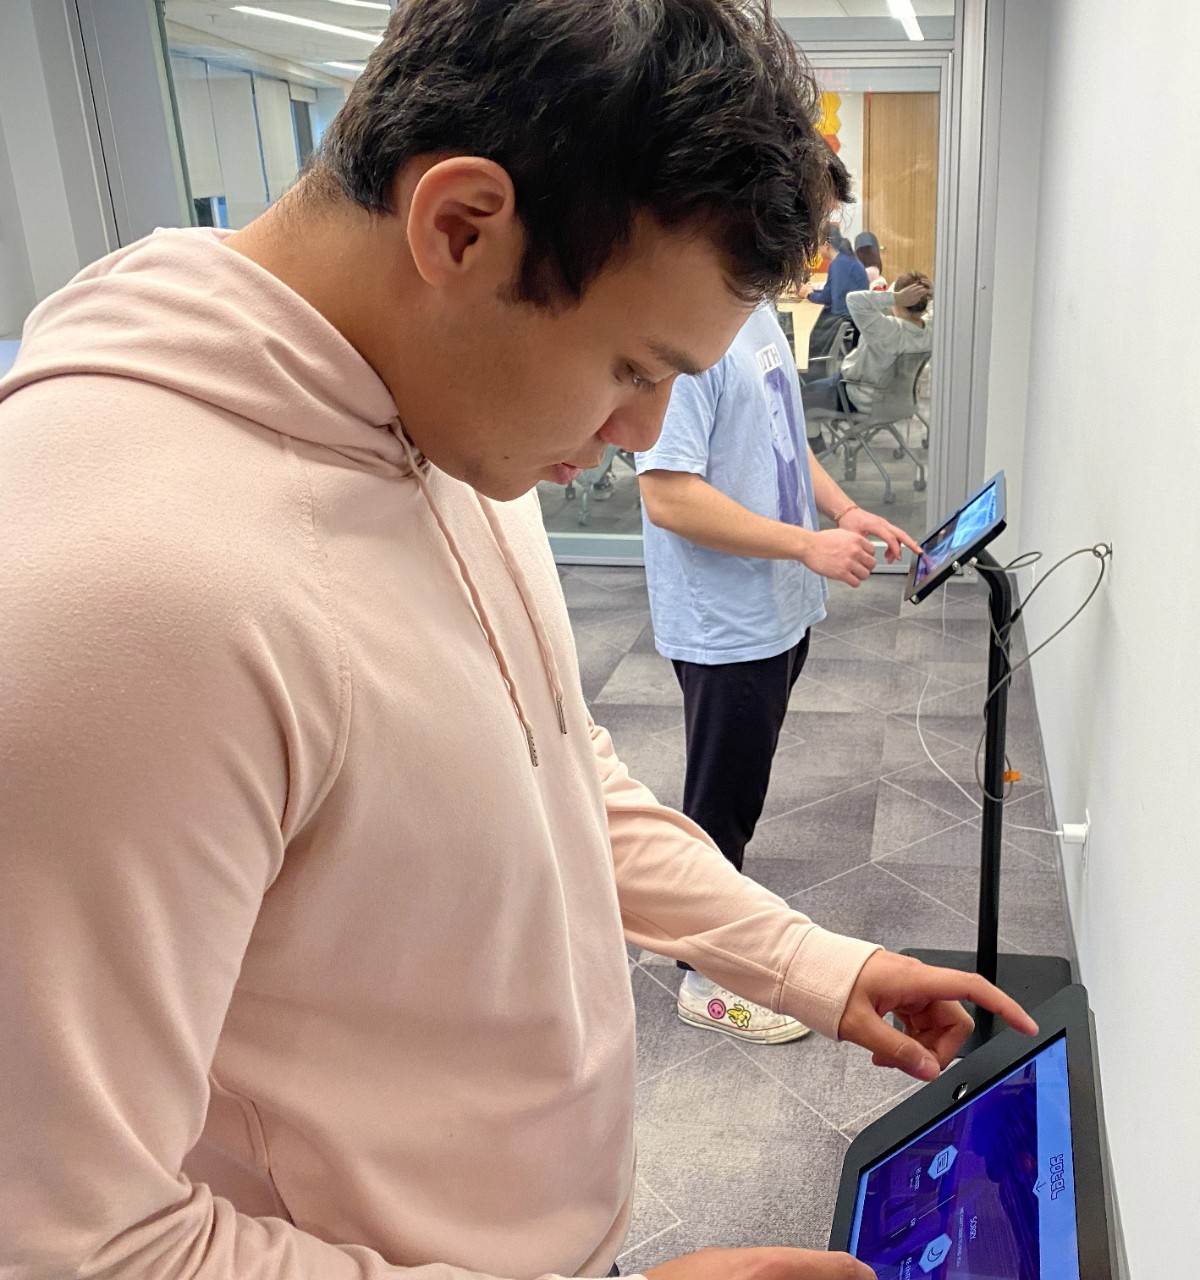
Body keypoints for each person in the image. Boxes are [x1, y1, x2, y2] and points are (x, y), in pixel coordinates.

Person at [0, 6, 1034, 1280]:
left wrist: (807, 961)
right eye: (631, 367)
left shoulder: (431, 413)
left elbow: (555, 767)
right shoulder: (109, 591)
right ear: (462, 226)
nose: (646, 432)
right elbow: (74, 1241)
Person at [637, 302, 924, 1042]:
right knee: (719, 802)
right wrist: (804, 544)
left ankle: (722, 919)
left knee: (739, 789)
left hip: (777, 609)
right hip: (724, 624)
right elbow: (667, 493)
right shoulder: (687, 332)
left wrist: (845, 509)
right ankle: (706, 978)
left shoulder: (757, 312)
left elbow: (783, 437)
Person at [801, 273, 934, 416]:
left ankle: (814, 436)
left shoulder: (888, 329)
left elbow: (853, 299)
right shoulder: (931, 330)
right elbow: (935, 309)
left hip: (862, 397)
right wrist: (934, 292)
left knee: (802, 396)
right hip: (902, 402)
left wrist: (896, 297)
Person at [799, 223, 870, 364]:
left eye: (818, 246)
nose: (818, 251)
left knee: (807, 330)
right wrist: (811, 291)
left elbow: (830, 298)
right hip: (853, 315)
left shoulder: (839, 263)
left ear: (826, 244)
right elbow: (830, 291)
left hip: (845, 317)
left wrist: (808, 295)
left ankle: (805, 362)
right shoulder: (844, 260)